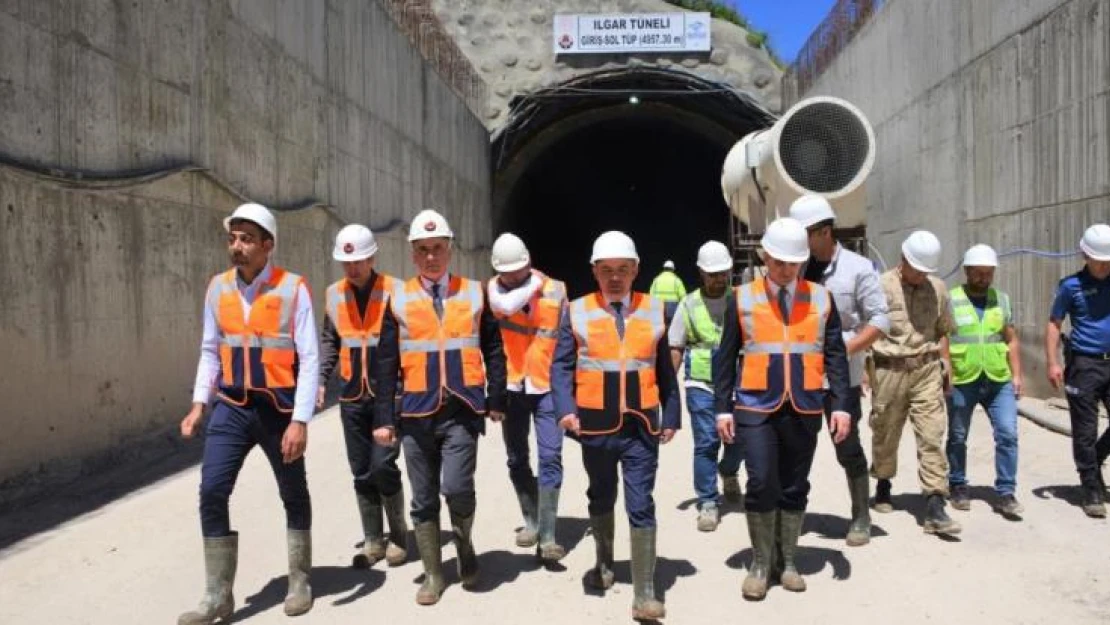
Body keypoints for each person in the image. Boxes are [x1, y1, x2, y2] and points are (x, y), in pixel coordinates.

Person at [179, 203, 319, 623]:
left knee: (292, 492)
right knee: (212, 490)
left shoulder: (293, 289)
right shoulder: (218, 288)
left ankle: (299, 579)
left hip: (278, 409)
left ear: (267, 246)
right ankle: (217, 594)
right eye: (232, 238)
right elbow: (210, 350)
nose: (236, 247)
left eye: (246, 239)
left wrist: (300, 420)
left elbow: (309, 358)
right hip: (233, 407)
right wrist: (199, 404)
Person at [372, 209, 507, 605]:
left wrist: (496, 397)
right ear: (413, 254)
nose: (431, 256)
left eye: (438, 248)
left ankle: (464, 546)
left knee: (457, 487)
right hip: (415, 412)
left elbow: (493, 347)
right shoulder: (397, 298)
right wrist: (383, 417)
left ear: (450, 250)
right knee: (424, 496)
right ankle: (433, 573)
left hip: (461, 408)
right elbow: (385, 364)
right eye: (423, 250)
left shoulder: (473, 291)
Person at [713, 217, 852, 600]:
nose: (786, 269)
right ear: (765, 257)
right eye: (779, 262)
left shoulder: (821, 298)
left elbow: (836, 356)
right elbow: (724, 358)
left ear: (803, 262)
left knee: (794, 485)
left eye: (793, 263)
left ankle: (787, 561)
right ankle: (761, 563)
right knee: (760, 481)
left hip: (805, 404)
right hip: (756, 405)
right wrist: (722, 408)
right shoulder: (740, 298)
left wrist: (842, 406)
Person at [552, 231, 680, 620]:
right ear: (594, 271)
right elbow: (561, 366)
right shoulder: (575, 311)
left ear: (636, 270)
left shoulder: (656, 309)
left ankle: (644, 592)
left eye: (623, 270)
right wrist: (565, 408)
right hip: (595, 425)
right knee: (601, 496)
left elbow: (664, 369)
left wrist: (671, 414)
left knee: (641, 503)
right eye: (606, 270)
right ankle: (604, 563)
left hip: (642, 426)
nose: (615, 278)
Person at [789, 195, 890, 546]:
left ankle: (861, 515)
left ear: (825, 231)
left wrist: (841, 349)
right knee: (797, 445)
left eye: (805, 234)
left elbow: (879, 319)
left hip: (840, 376)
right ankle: (792, 514)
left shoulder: (858, 269)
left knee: (846, 444)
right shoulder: (795, 267)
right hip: (801, 375)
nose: (799, 241)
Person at [318, 224, 408, 567]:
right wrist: (323, 379)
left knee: (382, 463)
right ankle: (373, 539)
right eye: (346, 262)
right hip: (352, 395)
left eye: (358, 261)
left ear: (372, 257)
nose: (352, 268)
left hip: (389, 395)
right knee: (360, 470)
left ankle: (398, 534)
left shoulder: (395, 291)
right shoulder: (333, 295)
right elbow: (330, 341)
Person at [870, 230, 961, 534]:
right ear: (903, 259)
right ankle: (883, 482)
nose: (921, 275)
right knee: (885, 432)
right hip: (889, 371)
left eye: (926, 270)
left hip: (926, 370)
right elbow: (865, 329)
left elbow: (943, 329)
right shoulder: (880, 286)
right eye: (917, 268)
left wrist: (946, 366)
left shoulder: (937, 288)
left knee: (932, 434)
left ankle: (935, 504)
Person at [486, 232, 568, 561]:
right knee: (517, 458)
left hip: (546, 385)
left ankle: (548, 537)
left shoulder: (556, 290)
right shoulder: (490, 294)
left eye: (516, 271)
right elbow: (490, 346)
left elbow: (565, 343)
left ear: (529, 262)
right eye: (504, 273)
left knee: (550, 457)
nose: (510, 278)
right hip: (512, 387)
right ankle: (531, 521)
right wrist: (493, 395)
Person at [668, 241, 744, 532]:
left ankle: (729, 471)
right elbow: (675, 346)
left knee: (739, 440)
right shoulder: (688, 304)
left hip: (737, 381)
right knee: (706, 442)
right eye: (713, 274)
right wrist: (668, 389)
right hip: (700, 382)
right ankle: (708, 503)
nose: (719, 279)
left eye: (723, 273)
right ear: (701, 273)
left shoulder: (739, 300)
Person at [944, 244, 1024, 517]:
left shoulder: (1001, 299)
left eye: (988, 273)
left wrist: (1017, 375)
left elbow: (1011, 339)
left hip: (997, 378)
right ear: (966, 271)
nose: (983, 278)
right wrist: (947, 375)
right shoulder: (950, 299)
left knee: (1008, 434)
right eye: (978, 273)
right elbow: (942, 339)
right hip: (963, 377)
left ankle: (1006, 492)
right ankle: (957, 484)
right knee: (957, 435)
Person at [1046, 224, 1110, 518]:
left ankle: (1095, 460)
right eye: (1099, 258)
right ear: (1085, 254)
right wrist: (1053, 362)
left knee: (1093, 440)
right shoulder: (1070, 286)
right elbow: (1054, 323)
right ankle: (1090, 487)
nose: (1105, 263)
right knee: (1085, 430)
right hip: (1084, 364)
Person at [650, 259, 687, 325]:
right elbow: (683, 295)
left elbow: (651, 293)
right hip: (672, 306)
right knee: (671, 325)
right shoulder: (676, 280)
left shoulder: (657, 279)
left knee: (658, 325)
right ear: (673, 269)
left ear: (664, 269)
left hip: (658, 304)